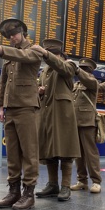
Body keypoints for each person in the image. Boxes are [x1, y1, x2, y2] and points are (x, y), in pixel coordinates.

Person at [0, 18, 41, 210]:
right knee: (12, 153)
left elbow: (21, 55)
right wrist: (1, 107)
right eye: (8, 36)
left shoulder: (34, 49)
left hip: (27, 107)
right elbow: (3, 83)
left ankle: (28, 193)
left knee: (29, 152)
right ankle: (14, 191)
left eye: (14, 34)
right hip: (11, 108)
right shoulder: (10, 56)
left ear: (23, 32)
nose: (12, 38)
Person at [31, 39, 80, 201]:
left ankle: (66, 186)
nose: (46, 57)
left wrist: (46, 54)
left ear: (57, 54)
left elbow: (65, 70)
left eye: (50, 53)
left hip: (62, 113)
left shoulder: (69, 64)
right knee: (49, 150)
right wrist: (40, 90)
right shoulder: (45, 70)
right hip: (47, 113)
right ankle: (53, 185)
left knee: (66, 150)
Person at [70, 58, 102, 193]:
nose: (81, 71)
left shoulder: (92, 82)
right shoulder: (76, 85)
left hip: (88, 122)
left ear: (89, 71)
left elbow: (88, 81)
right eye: (80, 68)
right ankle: (81, 180)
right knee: (78, 154)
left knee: (90, 153)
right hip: (75, 122)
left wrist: (77, 70)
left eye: (84, 69)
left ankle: (96, 181)